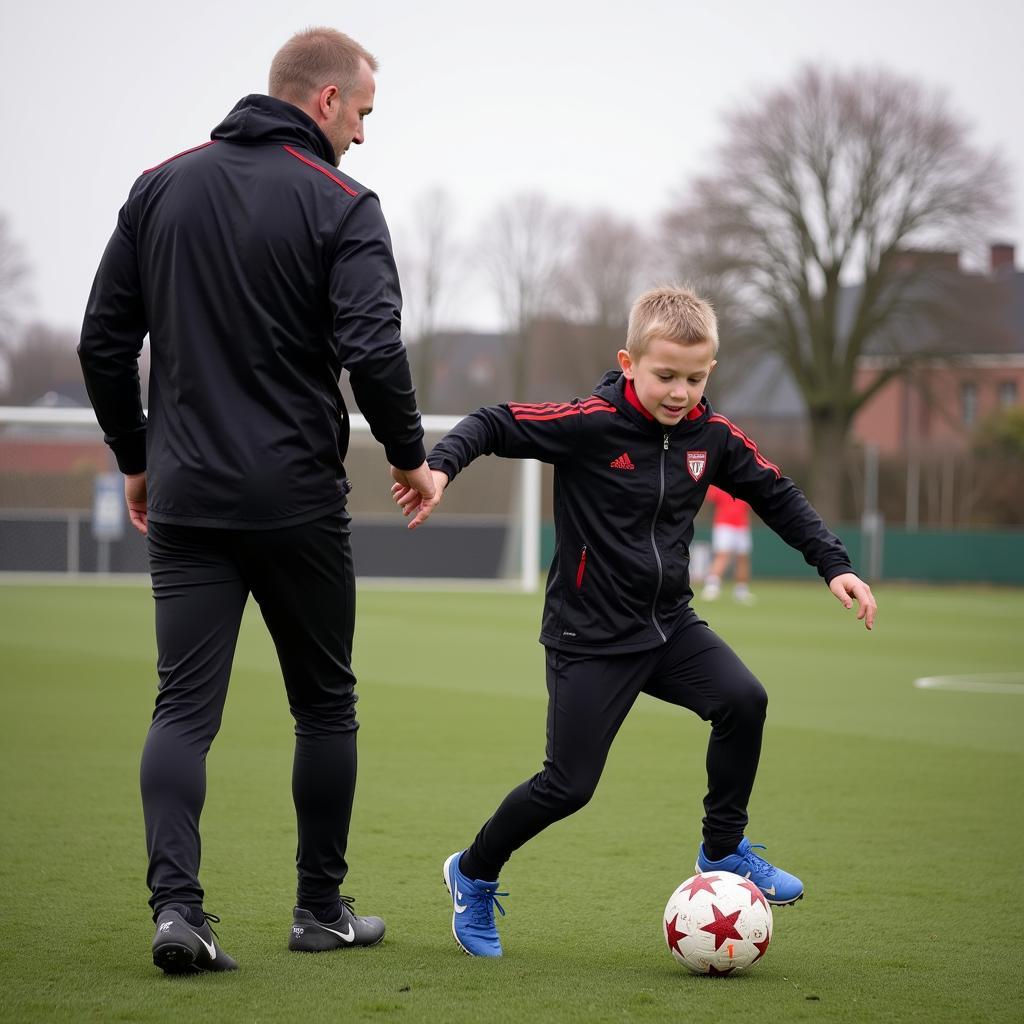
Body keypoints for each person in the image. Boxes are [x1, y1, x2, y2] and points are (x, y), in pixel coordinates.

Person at [78, 27, 436, 974]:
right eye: (362, 112)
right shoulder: (344, 204)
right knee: (324, 705)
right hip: (296, 505)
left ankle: (177, 914)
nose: (364, 133)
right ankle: (319, 910)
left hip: (188, 497)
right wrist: (411, 456)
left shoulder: (160, 185)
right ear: (323, 101)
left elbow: (101, 344)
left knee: (182, 710)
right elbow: (373, 348)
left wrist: (138, 455)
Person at [393, 286, 876, 958]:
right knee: (568, 786)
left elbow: (775, 491)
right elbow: (495, 419)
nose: (681, 392)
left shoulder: (712, 436)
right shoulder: (591, 422)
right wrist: (439, 468)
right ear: (629, 362)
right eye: (666, 375)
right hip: (588, 637)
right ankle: (472, 871)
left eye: (696, 377)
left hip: (669, 626)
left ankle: (723, 848)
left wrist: (834, 565)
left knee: (744, 700)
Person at [701, 484, 756, 604]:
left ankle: (741, 591)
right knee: (723, 555)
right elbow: (710, 496)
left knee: (743, 558)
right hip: (724, 524)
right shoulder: (722, 481)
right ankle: (712, 586)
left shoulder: (747, 481)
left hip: (742, 524)